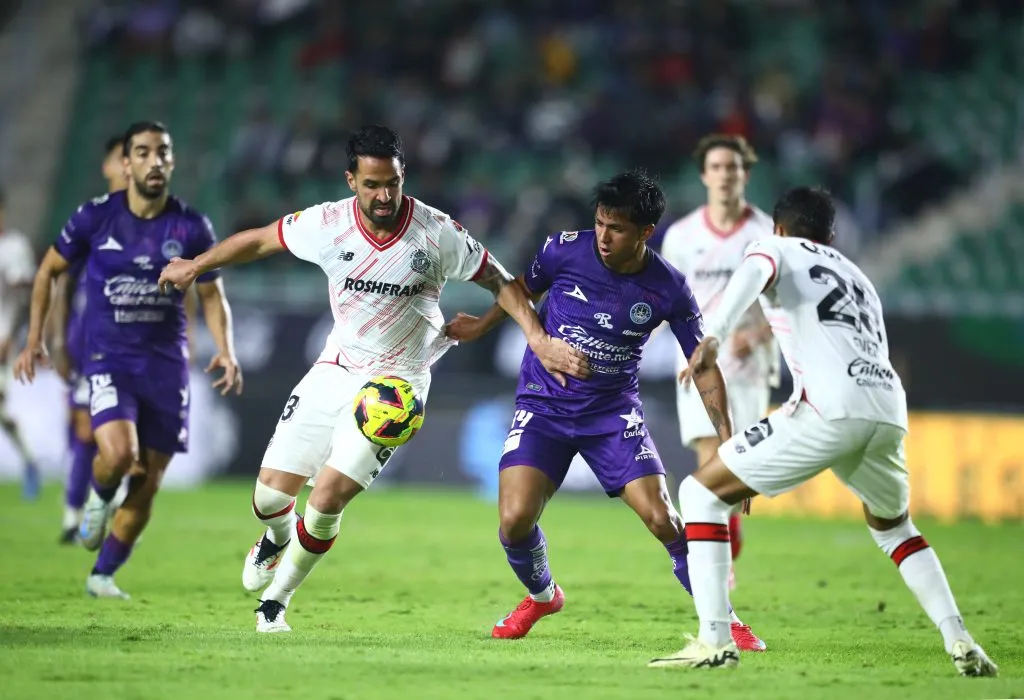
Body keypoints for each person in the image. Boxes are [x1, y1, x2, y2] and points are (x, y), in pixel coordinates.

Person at [157, 124, 589, 633]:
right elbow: (257, 242)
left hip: (398, 387)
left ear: (403, 177)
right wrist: (198, 265)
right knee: (270, 500)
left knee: (325, 500)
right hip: (335, 368)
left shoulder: (436, 232)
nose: (384, 196)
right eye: (372, 185)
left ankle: (276, 602)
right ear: (351, 180)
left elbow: (500, 281)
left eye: (393, 183)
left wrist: (536, 338)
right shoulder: (326, 224)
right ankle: (275, 539)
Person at [650, 186, 997, 676]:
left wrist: (713, 337)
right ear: (831, 235)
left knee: (700, 493)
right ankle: (959, 637)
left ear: (778, 228)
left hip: (827, 407)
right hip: (886, 407)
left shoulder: (775, 247)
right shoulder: (858, 276)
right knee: (895, 527)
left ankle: (714, 640)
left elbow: (755, 271)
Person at [445, 170, 765, 651]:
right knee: (513, 520)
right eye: (599, 223)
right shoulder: (563, 249)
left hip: (611, 413)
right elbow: (517, 290)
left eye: (616, 228)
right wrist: (486, 328)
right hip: (544, 403)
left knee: (663, 519)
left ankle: (726, 619)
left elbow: (702, 365)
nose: (603, 236)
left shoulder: (668, 288)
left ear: (645, 233)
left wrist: (729, 442)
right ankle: (542, 595)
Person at [14, 121, 242, 599]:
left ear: (171, 162)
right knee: (118, 455)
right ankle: (98, 499)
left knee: (146, 481)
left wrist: (225, 348)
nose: (154, 161)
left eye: (163, 152)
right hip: (109, 359)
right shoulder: (94, 218)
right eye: (143, 152)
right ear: (126, 163)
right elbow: (50, 272)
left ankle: (102, 575)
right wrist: (37, 337)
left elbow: (213, 294)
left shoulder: (191, 225)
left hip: (166, 367)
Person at [660, 134, 777, 588]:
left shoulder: (766, 233)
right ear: (704, 175)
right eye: (718, 167)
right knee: (711, 456)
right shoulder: (683, 236)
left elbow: (790, 301)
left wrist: (761, 333)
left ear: (746, 174)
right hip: (696, 364)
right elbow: (665, 295)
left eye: (734, 167)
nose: (726, 175)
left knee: (737, 464)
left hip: (749, 365)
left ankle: (726, 535)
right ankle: (718, 564)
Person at [50, 134, 128, 542]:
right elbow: (62, 282)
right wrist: (58, 341)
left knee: (126, 435)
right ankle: (73, 512)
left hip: (140, 347)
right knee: (85, 429)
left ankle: (104, 507)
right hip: (91, 343)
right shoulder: (90, 219)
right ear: (108, 166)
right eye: (123, 158)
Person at [0, 187, 40, 500]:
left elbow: (25, 294)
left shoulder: (14, 246)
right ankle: (29, 460)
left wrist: (13, 336)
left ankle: (29, 462)